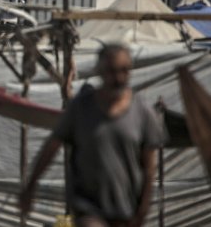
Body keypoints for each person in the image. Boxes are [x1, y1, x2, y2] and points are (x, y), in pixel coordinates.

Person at [20, 44, 163, 227]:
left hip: (126, 209)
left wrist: (143, 210)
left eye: (124, 70)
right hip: (88, 206)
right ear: (100, 71)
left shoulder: (143, 112)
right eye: (111, 71)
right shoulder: (81, 108)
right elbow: (52, 145)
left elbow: (149, 168)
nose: (118, 78)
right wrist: (31, 185)